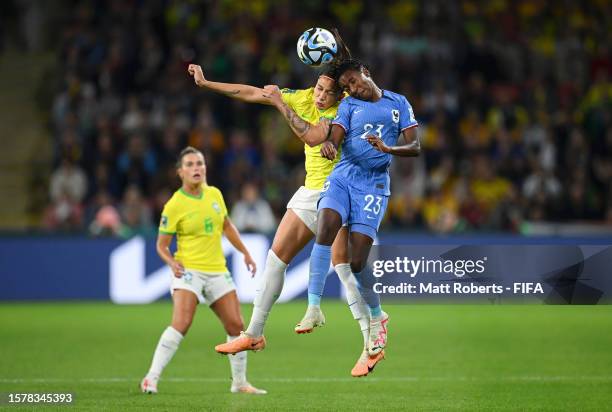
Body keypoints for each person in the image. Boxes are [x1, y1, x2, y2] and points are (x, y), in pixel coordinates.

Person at [188, 31, 377, 377]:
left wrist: (278, 102)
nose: (319, 96)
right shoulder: (305, 97)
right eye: (317, 89)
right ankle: (254, 334)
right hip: (310, 192)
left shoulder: (347, 111)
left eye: (326, 92)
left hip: (340, 193)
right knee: (275, 260)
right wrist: (207, 83)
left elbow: (312, 136)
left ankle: (371, 343)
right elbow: (252, 92)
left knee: (344, 268)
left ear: (339, 94)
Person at [308, 58, 421, 361]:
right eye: (346, 87)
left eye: (354, 82)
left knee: (357, 262)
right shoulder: (348, 105)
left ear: (366, 73)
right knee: (325, 226)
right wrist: (330, 145)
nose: (353, 89)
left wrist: (388, 149)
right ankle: (313, 306)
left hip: (373, 186)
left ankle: (377, 314)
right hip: (344, 176)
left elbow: (415, 146)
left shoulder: (398, 103)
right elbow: (335, 136)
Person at [140, 147, 266, 395]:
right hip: (189, 272)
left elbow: (227, 226)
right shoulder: (174, 205)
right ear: (180, 172)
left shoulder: (215, 195)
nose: (196, 168)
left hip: (217, 270)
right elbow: (161, 245)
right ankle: (150, 378)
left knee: (236, 324)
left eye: (200, 163)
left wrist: (245, 253)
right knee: (181, 323)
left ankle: (239, 383)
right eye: (190, 164)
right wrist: (171, 262)